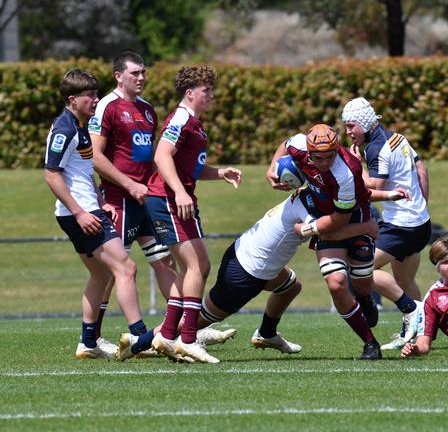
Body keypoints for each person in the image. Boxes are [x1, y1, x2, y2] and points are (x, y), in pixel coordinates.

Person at [162, 188, 379, 362]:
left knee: (291, 287)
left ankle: (266, 333)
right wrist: (366, 226)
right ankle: (147, 340)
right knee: (195, 322)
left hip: (248, 258)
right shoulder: (309, 205)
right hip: (246, 273)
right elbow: (328, 231)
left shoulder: (307, 194)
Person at [266, 124, 412, 360]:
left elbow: (338, 220)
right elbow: (285, 145)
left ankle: (365, 299)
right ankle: (369, 343)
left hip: (353, 217)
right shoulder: (300, 145)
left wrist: (308, 229)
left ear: (336, 148)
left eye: (330, 156)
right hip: (325, 218)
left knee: (362, 283)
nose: (324, 162)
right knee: (336, 283)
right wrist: (271, 170)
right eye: (318, 157)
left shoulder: (346, 172)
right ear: (309, 150)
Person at [44, 69, 154, 360]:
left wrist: (100, 198)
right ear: (72, 99)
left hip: (85, 208)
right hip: (80, 213)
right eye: (89, 95)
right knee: (126, 268)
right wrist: (80, 212)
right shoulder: (65, 128)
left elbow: (79, 171)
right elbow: (51, 175)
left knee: (101, 273)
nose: (95, 99)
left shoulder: (80, 125)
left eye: (95, 94)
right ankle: (141, 338)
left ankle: (88, 342)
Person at [145, 66, 242, 363]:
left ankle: (168, 335)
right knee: (195, 267)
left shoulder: (196, 124)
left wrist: (218, 172)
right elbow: (162, 155)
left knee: (200, 266)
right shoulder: (181, 118)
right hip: (167, 199)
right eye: (205, 90)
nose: (211, 95)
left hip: (179, 199)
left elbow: (192, 168)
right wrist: (179, 192)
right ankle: (187, 339)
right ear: (190, 93)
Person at [88, 51, 177, 356]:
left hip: (145, 199)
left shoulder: (149, 111)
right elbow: (96, 157)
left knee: (165, 261)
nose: (141, 78)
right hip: (119, 201)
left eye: (143, 73)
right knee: (116, 272)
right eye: (135, 73)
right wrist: (128, 185)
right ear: (118, 75)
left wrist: (157, 188)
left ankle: (183, 326)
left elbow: (149, 158)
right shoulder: (107, 107)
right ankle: (94, 337)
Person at [342, 97, 430, 350]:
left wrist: (357, 166)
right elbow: (421, 168)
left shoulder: (375, 148)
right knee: (404, 280)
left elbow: (375, 187)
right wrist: (423, 203)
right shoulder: (398, 137)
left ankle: (411, 311)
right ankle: (417, 333)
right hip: (421, 223)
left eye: (351, 126)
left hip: (402, 226)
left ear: (365, 124)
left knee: (360, 269)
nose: (348, 132)